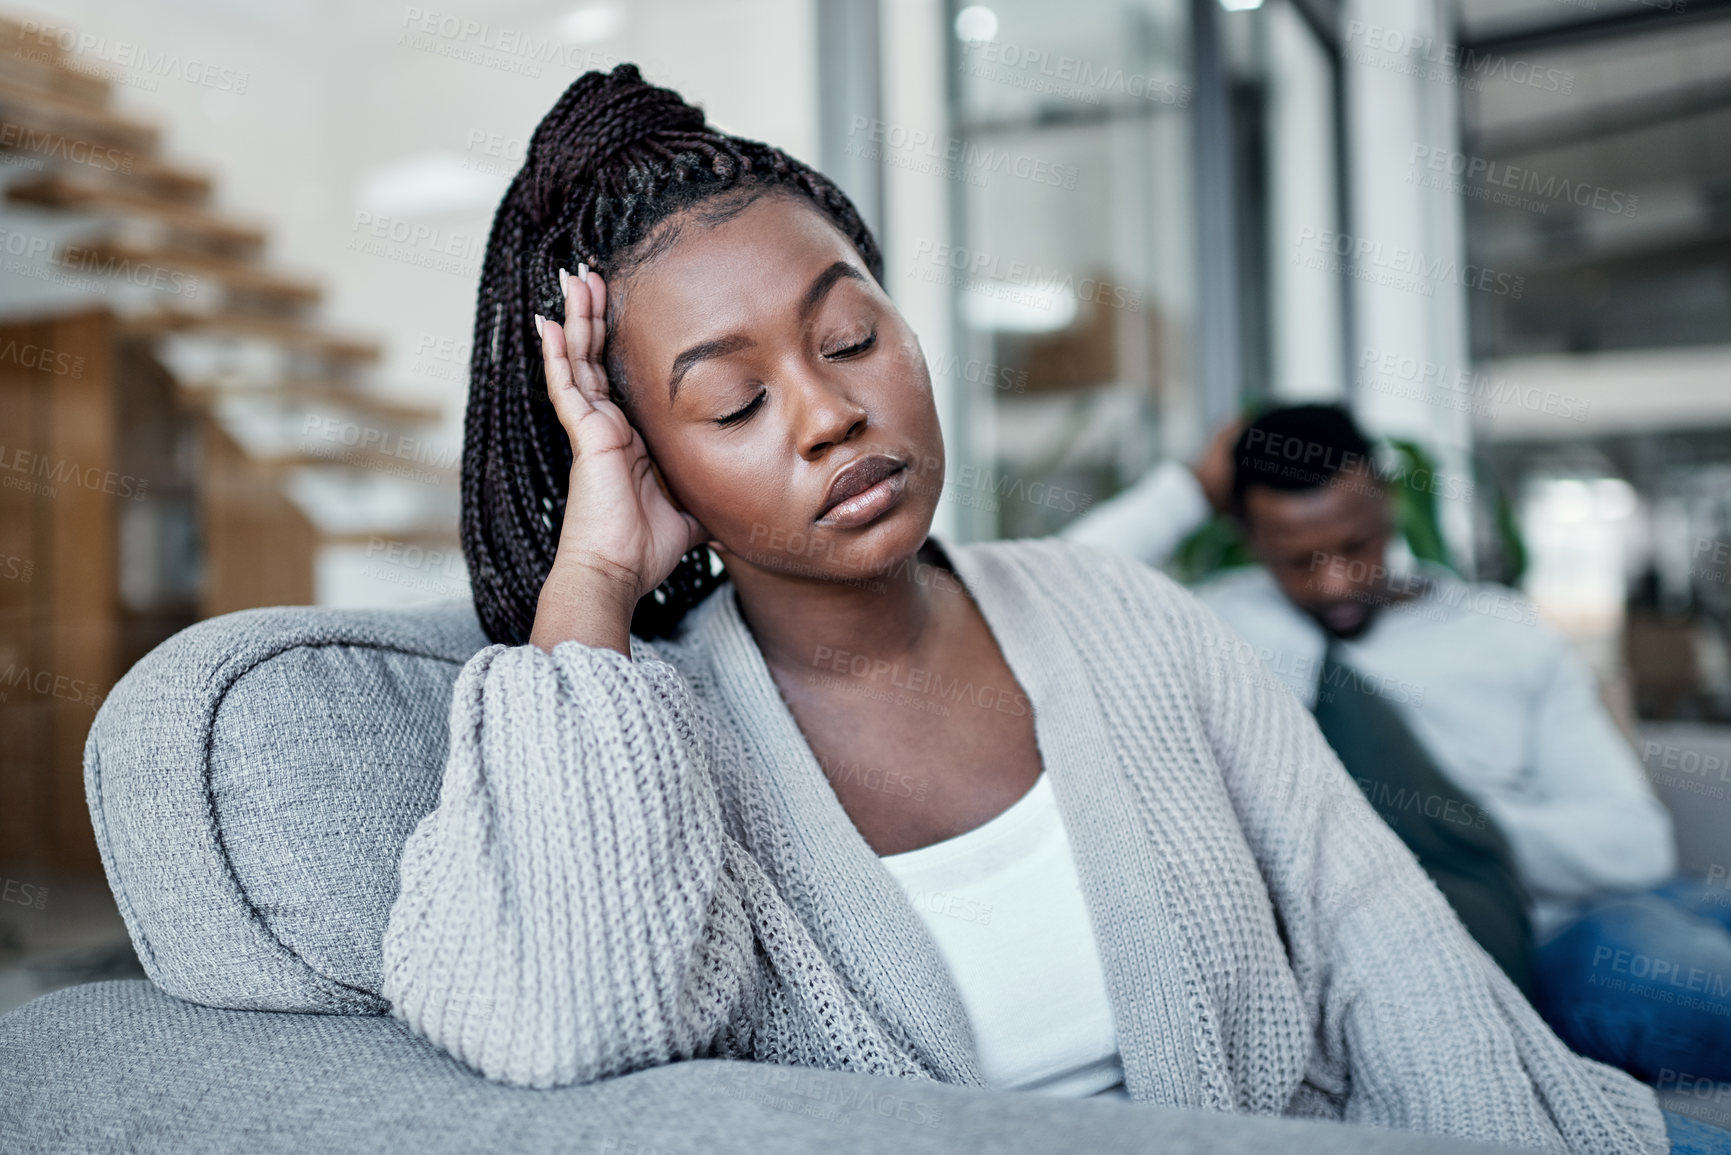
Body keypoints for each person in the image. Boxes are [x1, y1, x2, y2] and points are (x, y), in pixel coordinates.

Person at [378, 64, 1697, 1153]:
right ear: (649, 457)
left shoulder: (1125, 612)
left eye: (850, 340)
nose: (832, 410)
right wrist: (594, 581)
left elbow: (1385, 948)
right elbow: (565, 1012)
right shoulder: (642, 734)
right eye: (733, 402)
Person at [1062, 402, 1731, 1094]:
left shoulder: (1501, 632)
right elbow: (1052, 594)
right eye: (1297, 560)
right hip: (1535, 949)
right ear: (1247, 534)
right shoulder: (1214, 626)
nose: (1334, 582)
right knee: (1659, 964)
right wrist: (1188, 491)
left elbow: (1632, 844)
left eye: (1354, 546)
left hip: (1595, 902)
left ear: (1385, 502)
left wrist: (1442, 821)